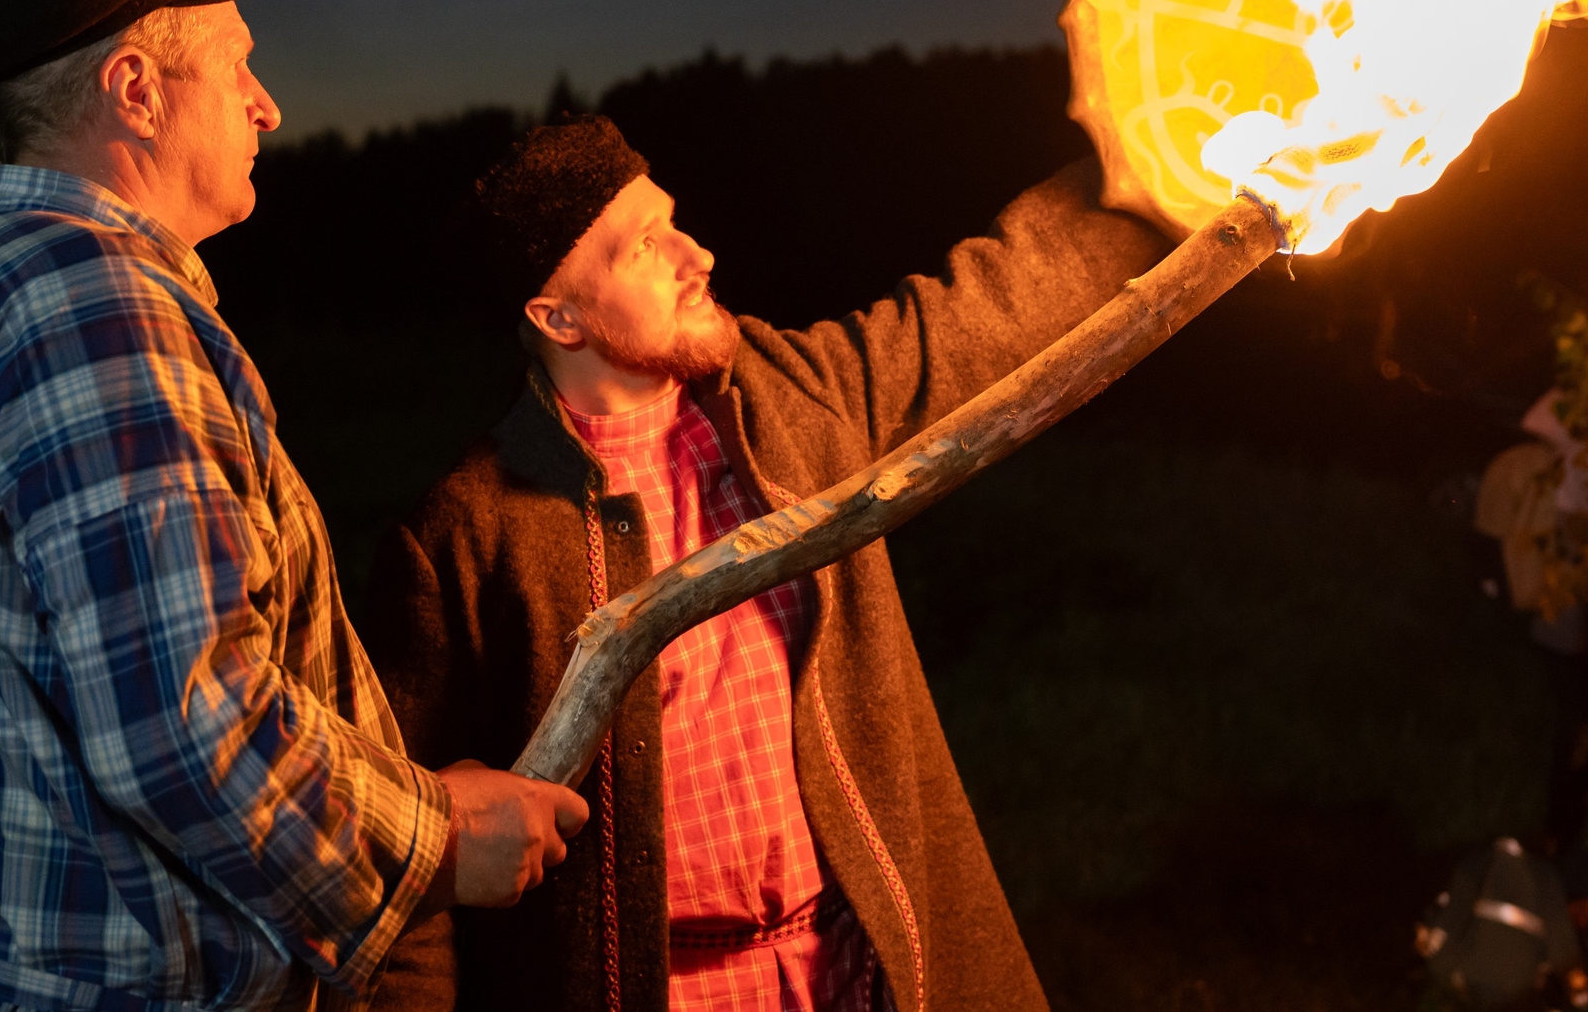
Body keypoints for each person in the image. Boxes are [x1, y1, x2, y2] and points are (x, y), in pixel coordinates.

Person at [0, 0, 586, 1012]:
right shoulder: (95, 313)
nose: (268, 105)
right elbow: (182, 724)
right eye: (237, 65)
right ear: (137, 91)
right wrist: (434, 840)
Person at [360, 115, 1170, 1012]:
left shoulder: (797, 400)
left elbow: (995, 297)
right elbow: (413, 864)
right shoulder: (468, 533)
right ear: (558, 317)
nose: (696, 253)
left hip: (854, 969)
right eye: (643, 247)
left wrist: (1164, 164)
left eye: (674, 219)